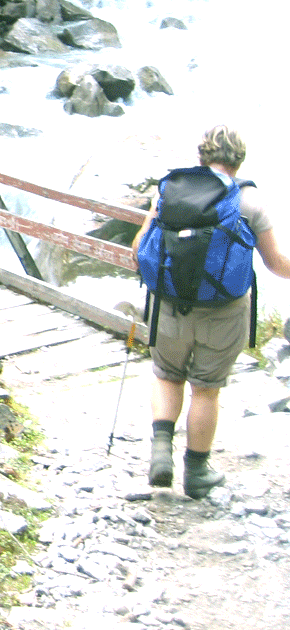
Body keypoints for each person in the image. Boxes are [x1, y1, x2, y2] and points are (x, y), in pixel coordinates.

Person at [130, 125, 290, 498]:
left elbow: (140, 249)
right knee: (205, 389)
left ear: (201, 157)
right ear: (240, 159)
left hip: (169, 306)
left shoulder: (170, 192)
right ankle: (197, 473)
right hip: (224, 312)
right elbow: (275, 263)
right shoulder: (248, 200)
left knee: (167, 376)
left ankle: (160, 455)